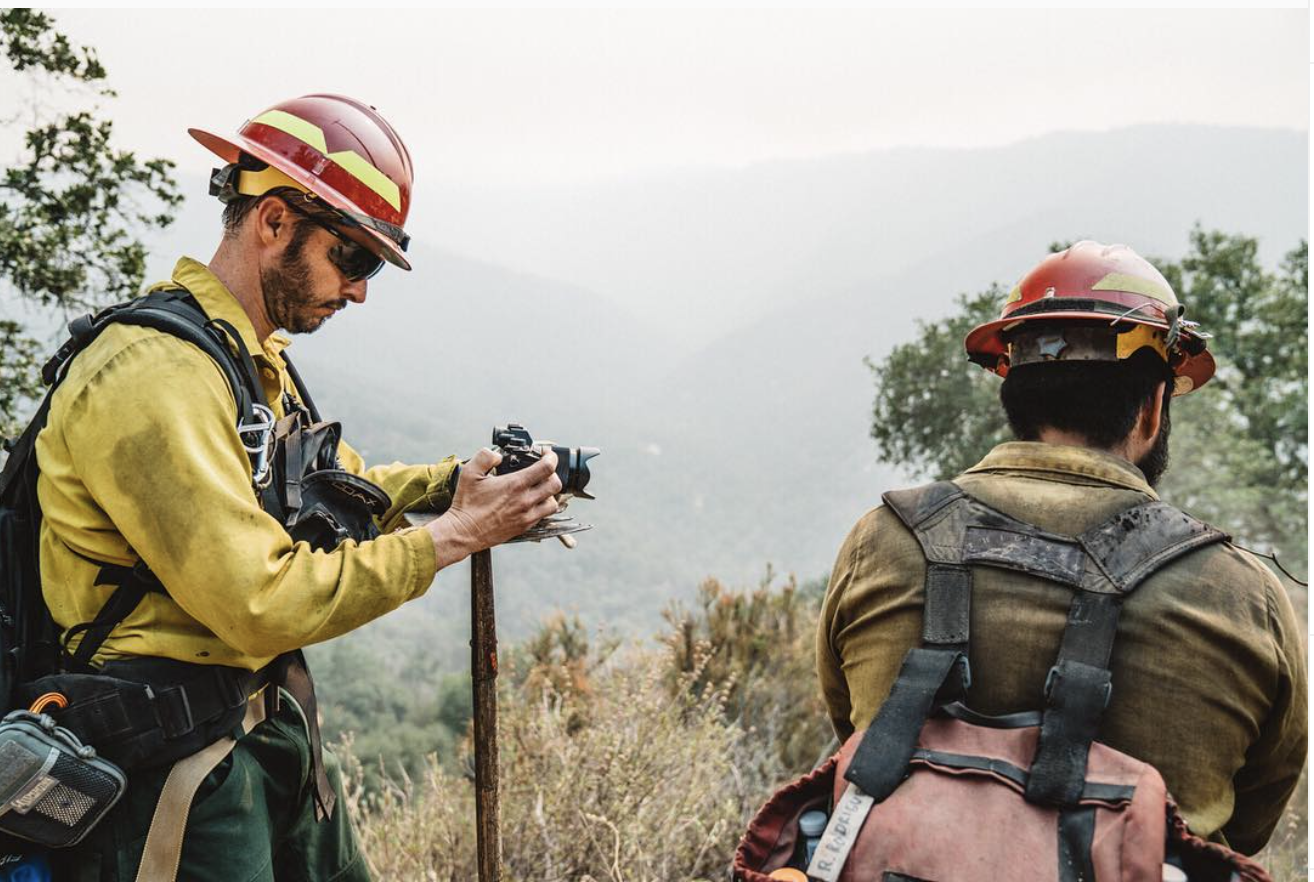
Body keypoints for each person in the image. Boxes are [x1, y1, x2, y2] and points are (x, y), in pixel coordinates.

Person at [35, 95, 562, 880]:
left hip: (263, 731)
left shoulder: (245, 359)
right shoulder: (153, 375)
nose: (359, 292)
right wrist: (454, 535)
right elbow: (259, 601)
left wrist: (452, 485)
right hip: (171, 768)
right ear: (274, 221)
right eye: (353, 258)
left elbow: (321, 495)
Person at [816, 241, 1306, 856]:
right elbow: (1250, 824)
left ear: (1013, 396)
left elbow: (855, 740)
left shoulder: (882, 541)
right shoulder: (1241, 593)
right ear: (1152, 407)